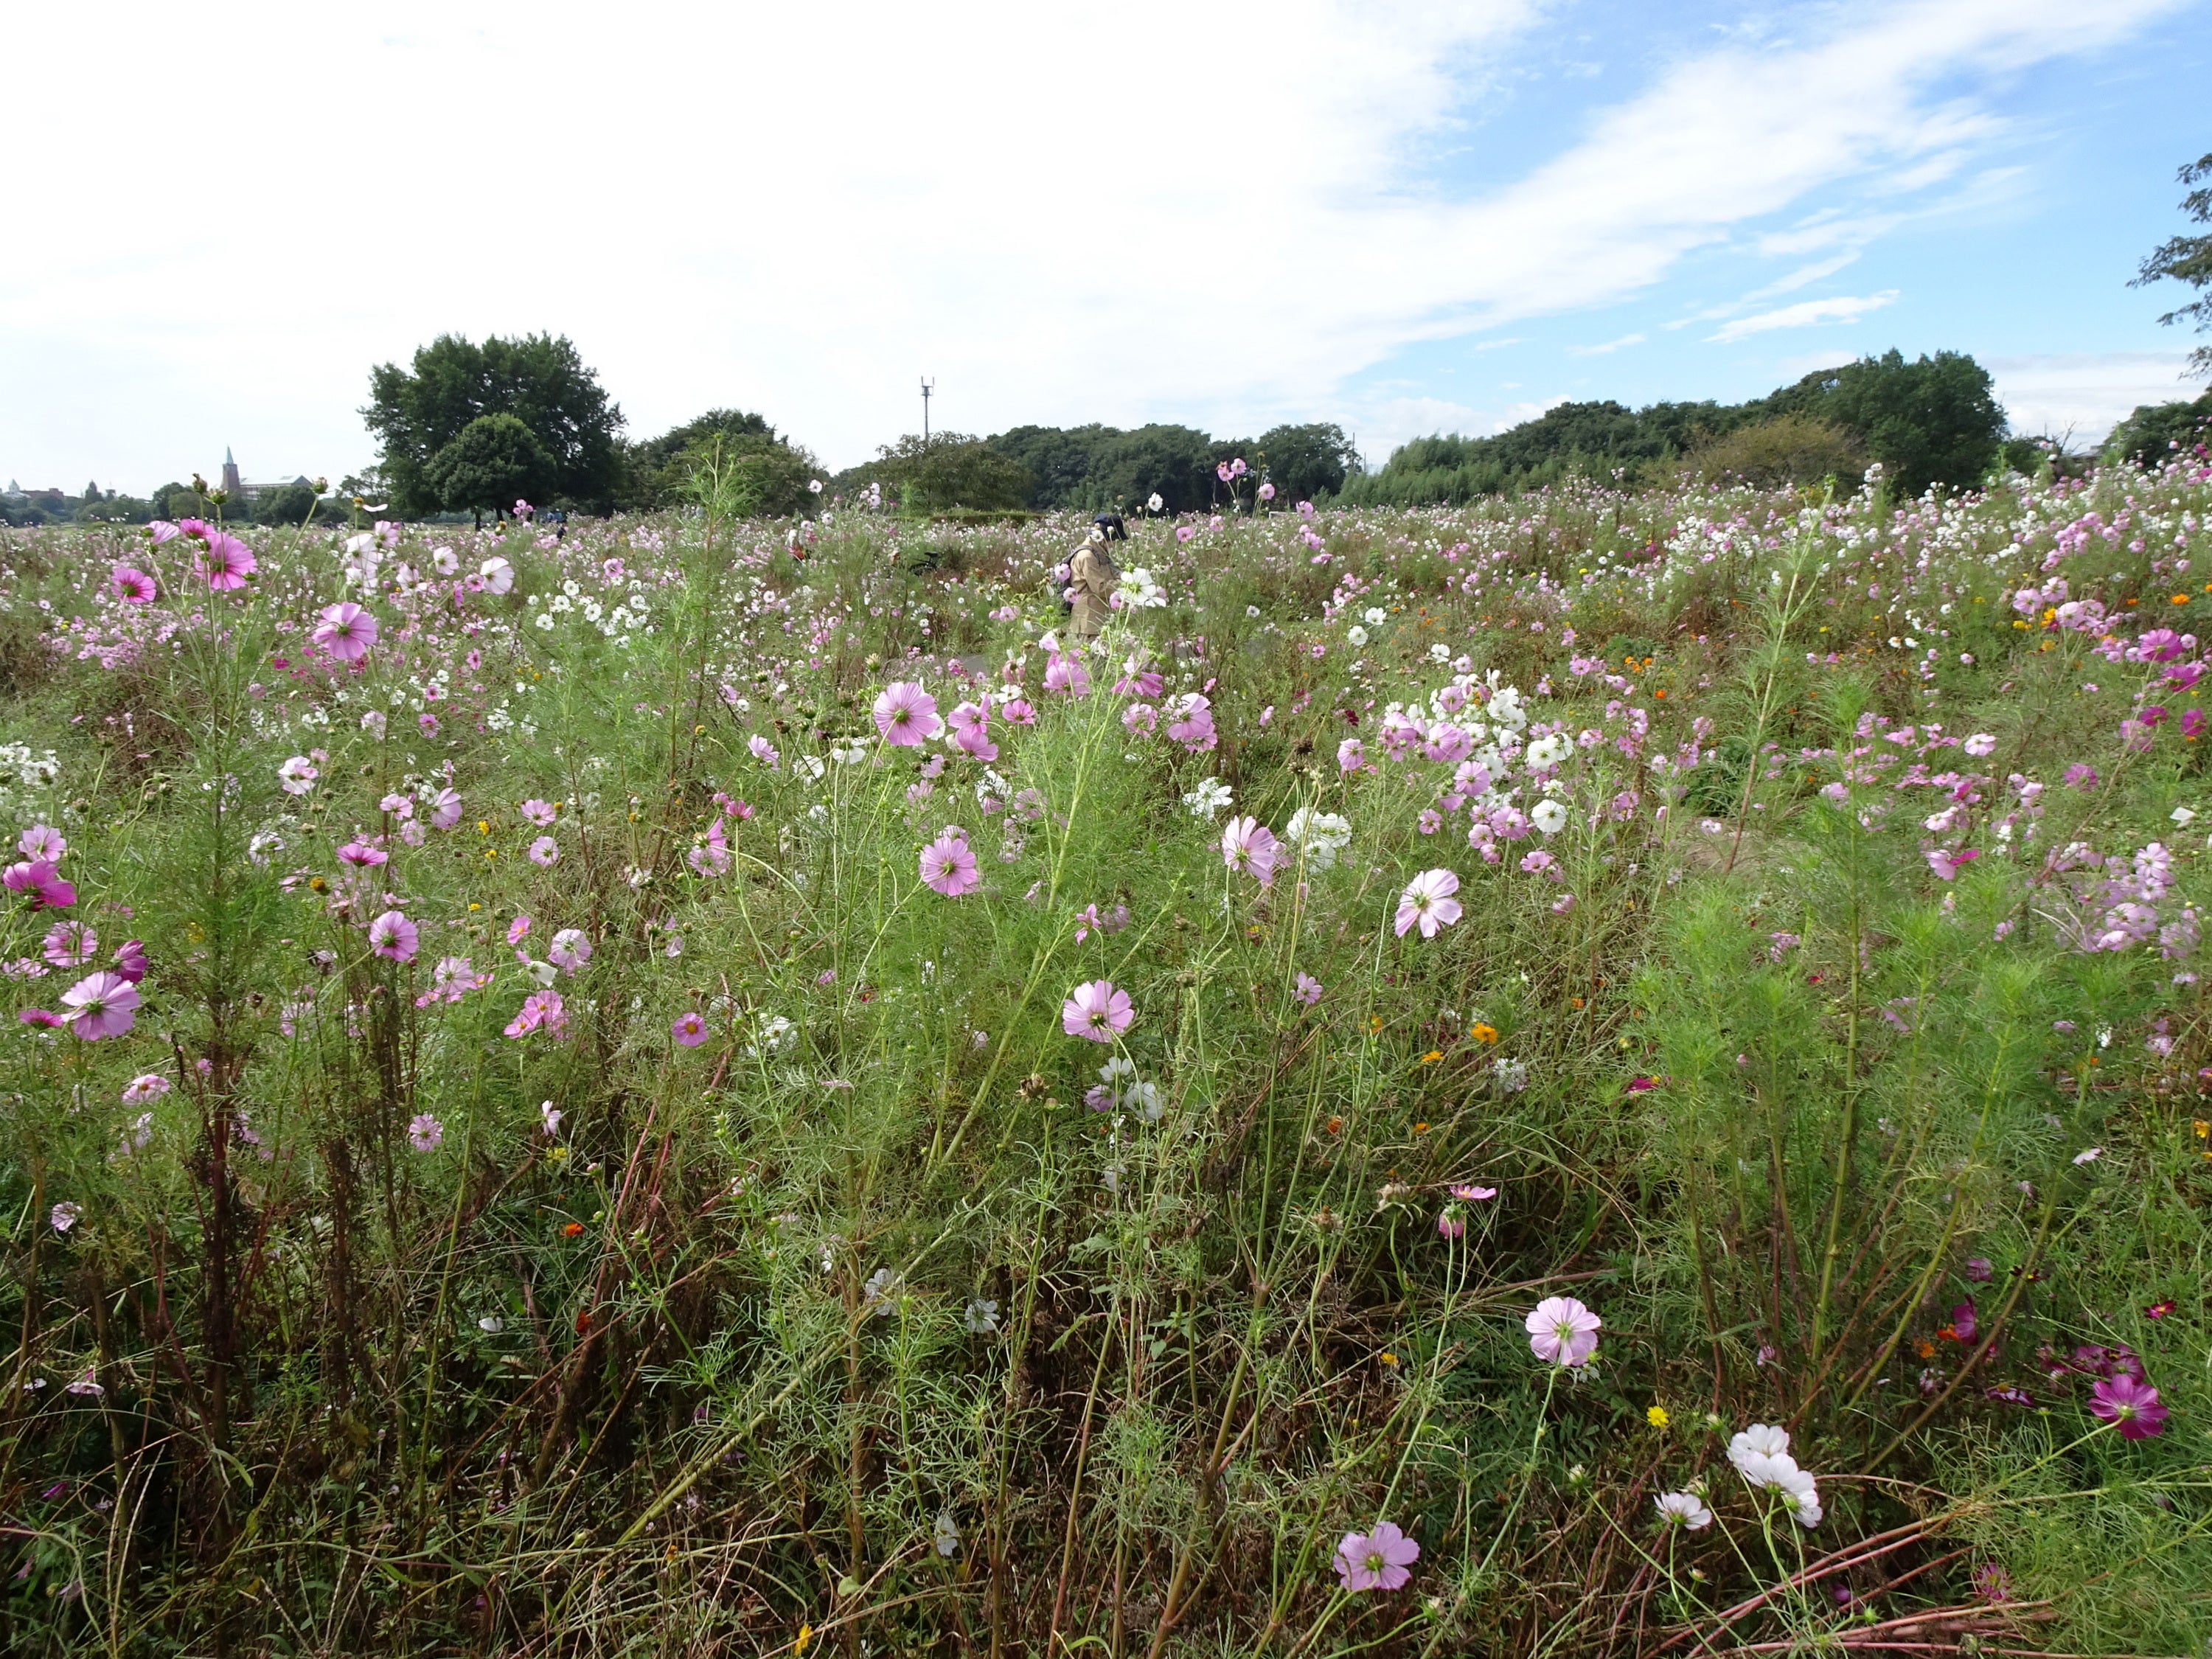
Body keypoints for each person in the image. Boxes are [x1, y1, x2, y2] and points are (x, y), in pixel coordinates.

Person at [1066, 518, 1123, 640]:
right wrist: (1126, 585)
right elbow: (1100, 587)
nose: (1115, 544)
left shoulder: (1099, 552)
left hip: (1099, 618)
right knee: (1088, 658)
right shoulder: (1087, 556)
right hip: (1089, 622)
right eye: (1115, 540)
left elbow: (1114, 573)